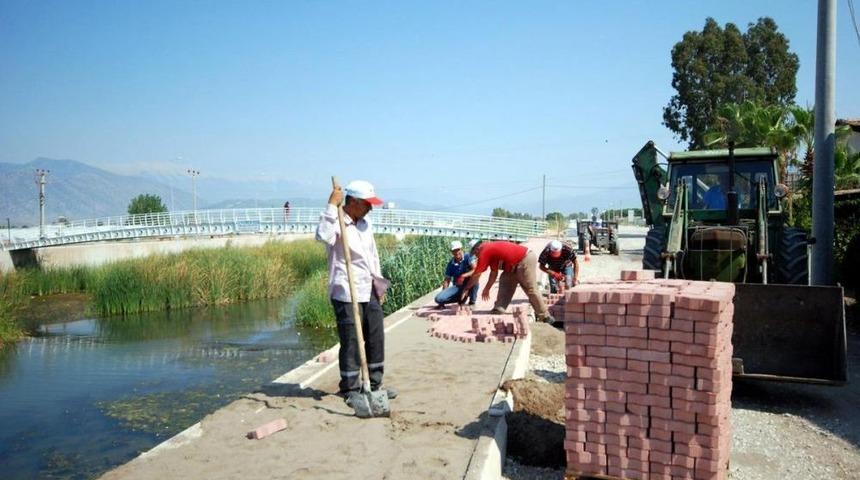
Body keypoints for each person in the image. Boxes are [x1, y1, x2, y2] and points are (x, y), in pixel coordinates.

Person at [315, 180, 396, 402]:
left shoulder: (365, 224)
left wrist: (379, 286)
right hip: (346, 290)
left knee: (376, 336)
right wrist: (332, 205)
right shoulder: (338, 221)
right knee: (351, 339)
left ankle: (373, 383)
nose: (371, 208)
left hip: (368, 287)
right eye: (367, 203)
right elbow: (322, 236)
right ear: (353, 202)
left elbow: (373, 257)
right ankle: (350, 388)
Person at [460, 240, 556, 324]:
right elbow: (493, 273)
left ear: (476, 249)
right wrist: (487, 289)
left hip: (525, 259)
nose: (476, 256)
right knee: (505, 280)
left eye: (474, 254)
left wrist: (466, 288)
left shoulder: (484, 251)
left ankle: (545, 316)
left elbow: (477, 274)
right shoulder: (490, 250)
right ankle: (499, 308)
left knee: (530, 288)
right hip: (513, 266)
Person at [434, 240, 479, 308]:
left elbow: (475, 270)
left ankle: (472, 302)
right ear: (451, 252)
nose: (456, 252)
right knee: (438, 299)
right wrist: (443, 298)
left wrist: (463, 275)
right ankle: (460, 299)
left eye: (458, 250)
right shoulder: (451, 264)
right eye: (454, 250)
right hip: (458, 287)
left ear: (461, 249)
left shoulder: (469, 257)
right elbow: (447, 280)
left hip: (470, 284)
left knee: (475, 280)